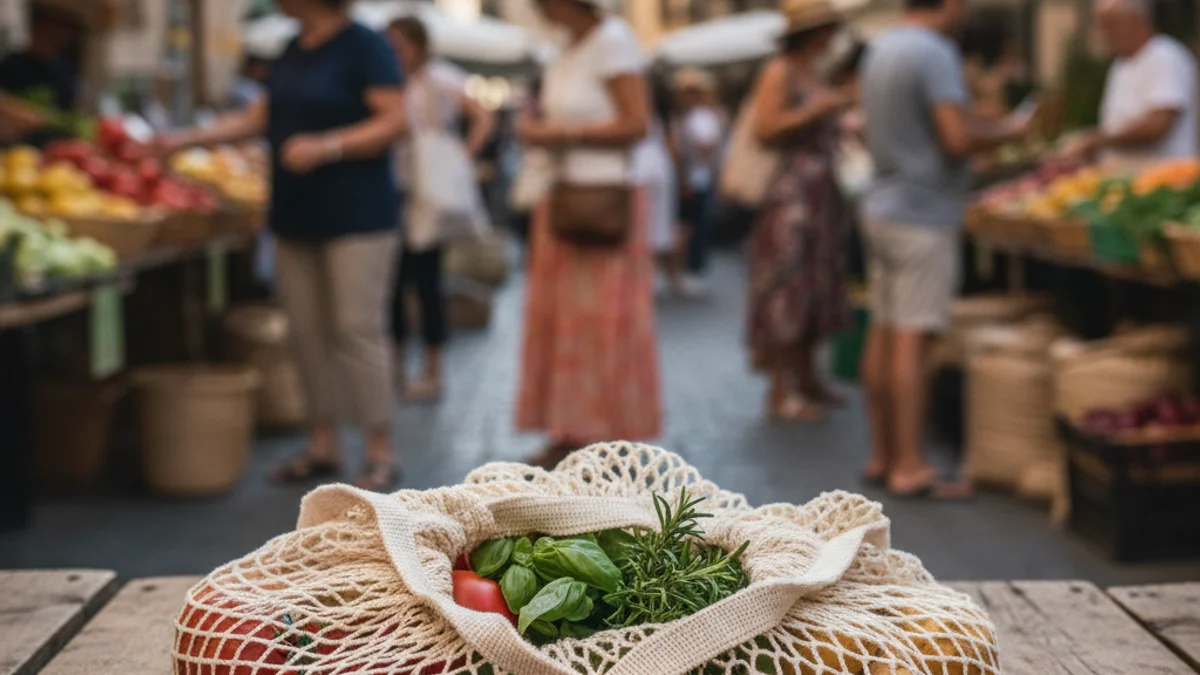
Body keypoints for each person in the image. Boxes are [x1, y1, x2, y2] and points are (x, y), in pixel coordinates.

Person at [159, 0, 407, 491]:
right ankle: (323, 445)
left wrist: (328, 146)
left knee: (356, 329)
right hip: (296, 214)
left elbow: (395, 122)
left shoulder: (365, 45)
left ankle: (380, 451)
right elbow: (260, 118)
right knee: (305, 331)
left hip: (358, 215)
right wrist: (183, 140)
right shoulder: (292, 48)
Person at [859, 0, 1030, 498]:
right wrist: (1013, 129)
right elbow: (955, 138)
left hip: (884, 203)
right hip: (921, 211)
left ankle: (881, 454)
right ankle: (909, 466)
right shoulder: (933, 52)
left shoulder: (881, 47)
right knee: (914, 336)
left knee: (885, 329)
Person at [516, 0, 659, 464]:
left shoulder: (612, 42)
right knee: (567, 319)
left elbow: (637, 123)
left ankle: (605, 431)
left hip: (602, 197)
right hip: (564, 193)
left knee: (600, 318)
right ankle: (571, 427)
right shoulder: (567, 48)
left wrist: (562, 136)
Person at [745, 0, 855, 423]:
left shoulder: (812, 72)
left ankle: (807, 377)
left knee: (813, 286)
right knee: (785, 289)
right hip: (791, 197)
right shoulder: (780, 71)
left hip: (819, 197)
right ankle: (779, 390)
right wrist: (820, 108)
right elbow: (766, 127)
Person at [386, 15, 495, 402]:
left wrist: (461, 159)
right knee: (394, 285)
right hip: (396, 190)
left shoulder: (440, 77)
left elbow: (482, 116)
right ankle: (396, 371)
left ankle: (432, 372)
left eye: (400, 44)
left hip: (428, 194)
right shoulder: (390, 79)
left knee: (427, 283)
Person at [1072, 0, 1198, 170]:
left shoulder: (1164, 57)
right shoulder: (1121, 64)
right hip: (1127, 180)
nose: (1104, 34)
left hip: (1163, 182)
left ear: (1137, 20)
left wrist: (1097, 140)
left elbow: (1158, 124)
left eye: (1110, 25)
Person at [670, 68, 726, 298]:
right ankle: (687, 270)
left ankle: (680, 271)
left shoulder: (692, 117)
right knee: (691, 227)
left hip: (692, 178)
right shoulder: (699, 117)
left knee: (686, 226)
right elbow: (707, 150)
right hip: (694, 180)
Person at [0, 4, 82, 144]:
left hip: (54, 145)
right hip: (14, 144)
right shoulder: (13, 64)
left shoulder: (64, 70)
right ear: (39, 27)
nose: (63, 34)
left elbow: (71, 108)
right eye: (56, 26)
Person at [639, 80, 681, 298]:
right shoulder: (664, 118)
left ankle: (647, 273)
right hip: (660, 170)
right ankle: (656, 273)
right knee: (658, 222)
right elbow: (674, 149)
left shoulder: (641, 114)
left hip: (640, 170)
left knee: (642, 223)